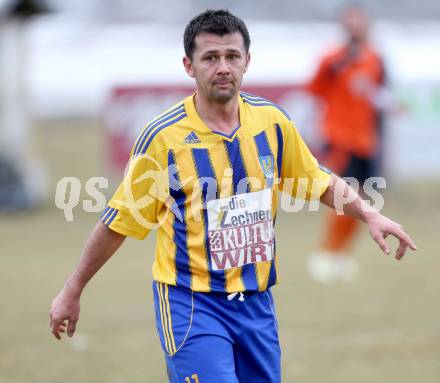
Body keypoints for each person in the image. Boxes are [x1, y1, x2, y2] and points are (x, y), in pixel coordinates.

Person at [50, 10, 416, 383]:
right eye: (210, 58)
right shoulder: (163, 139)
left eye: (232, 56)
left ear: (247, 62)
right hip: (193, 303)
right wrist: (72, 289)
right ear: (189, 66)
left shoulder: (272, 122)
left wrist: (371, 214)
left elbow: (316, 179)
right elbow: (118, 222)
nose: (223, 67)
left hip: (257, 303)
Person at [306, 3, 394, 283]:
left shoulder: (375, 59)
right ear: (344, 25)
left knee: (365, 201)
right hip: (340, 137)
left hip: (365, 140)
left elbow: (379, 93)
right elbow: (315, 91)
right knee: (345, 197)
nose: (356, 25)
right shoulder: (332, 58)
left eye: (360, 20)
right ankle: (325, 254)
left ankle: (341, 255)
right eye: (351, 20)